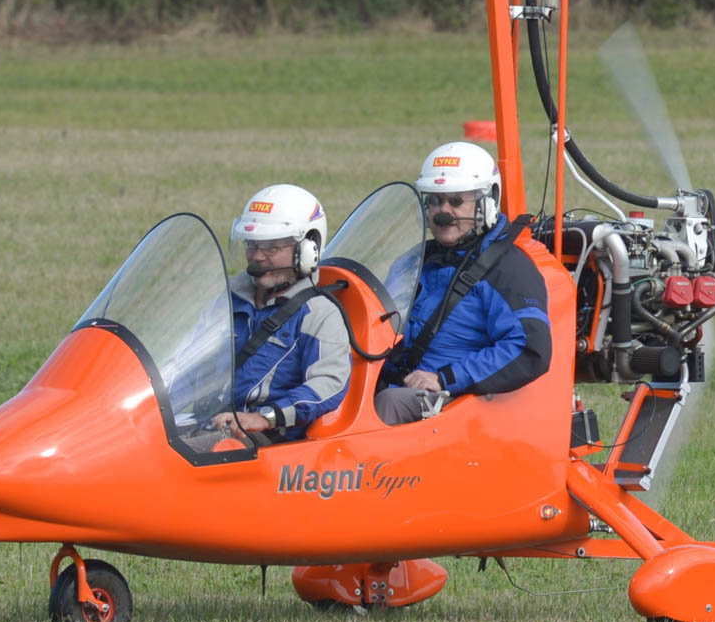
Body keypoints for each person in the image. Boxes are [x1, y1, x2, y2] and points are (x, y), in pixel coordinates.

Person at [375, 142, 551, 424]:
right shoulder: (414, 261)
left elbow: (528, 349)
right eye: (434, 201)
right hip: (401, 385)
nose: (443, 211)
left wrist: (445, 377)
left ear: (487, 202)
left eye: (456, 201)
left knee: (387, 405)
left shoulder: (508, 269)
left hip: (456, 403)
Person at [210, 184, 351, 443]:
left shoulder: (320, 314)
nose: (258, 257)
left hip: (269, 440)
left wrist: (265, 418)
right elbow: (190, 362)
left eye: (272, 247)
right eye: (253, 245)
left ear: (308, 249)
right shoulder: (229, 300)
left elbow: (329, 385)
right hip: (215, 423)